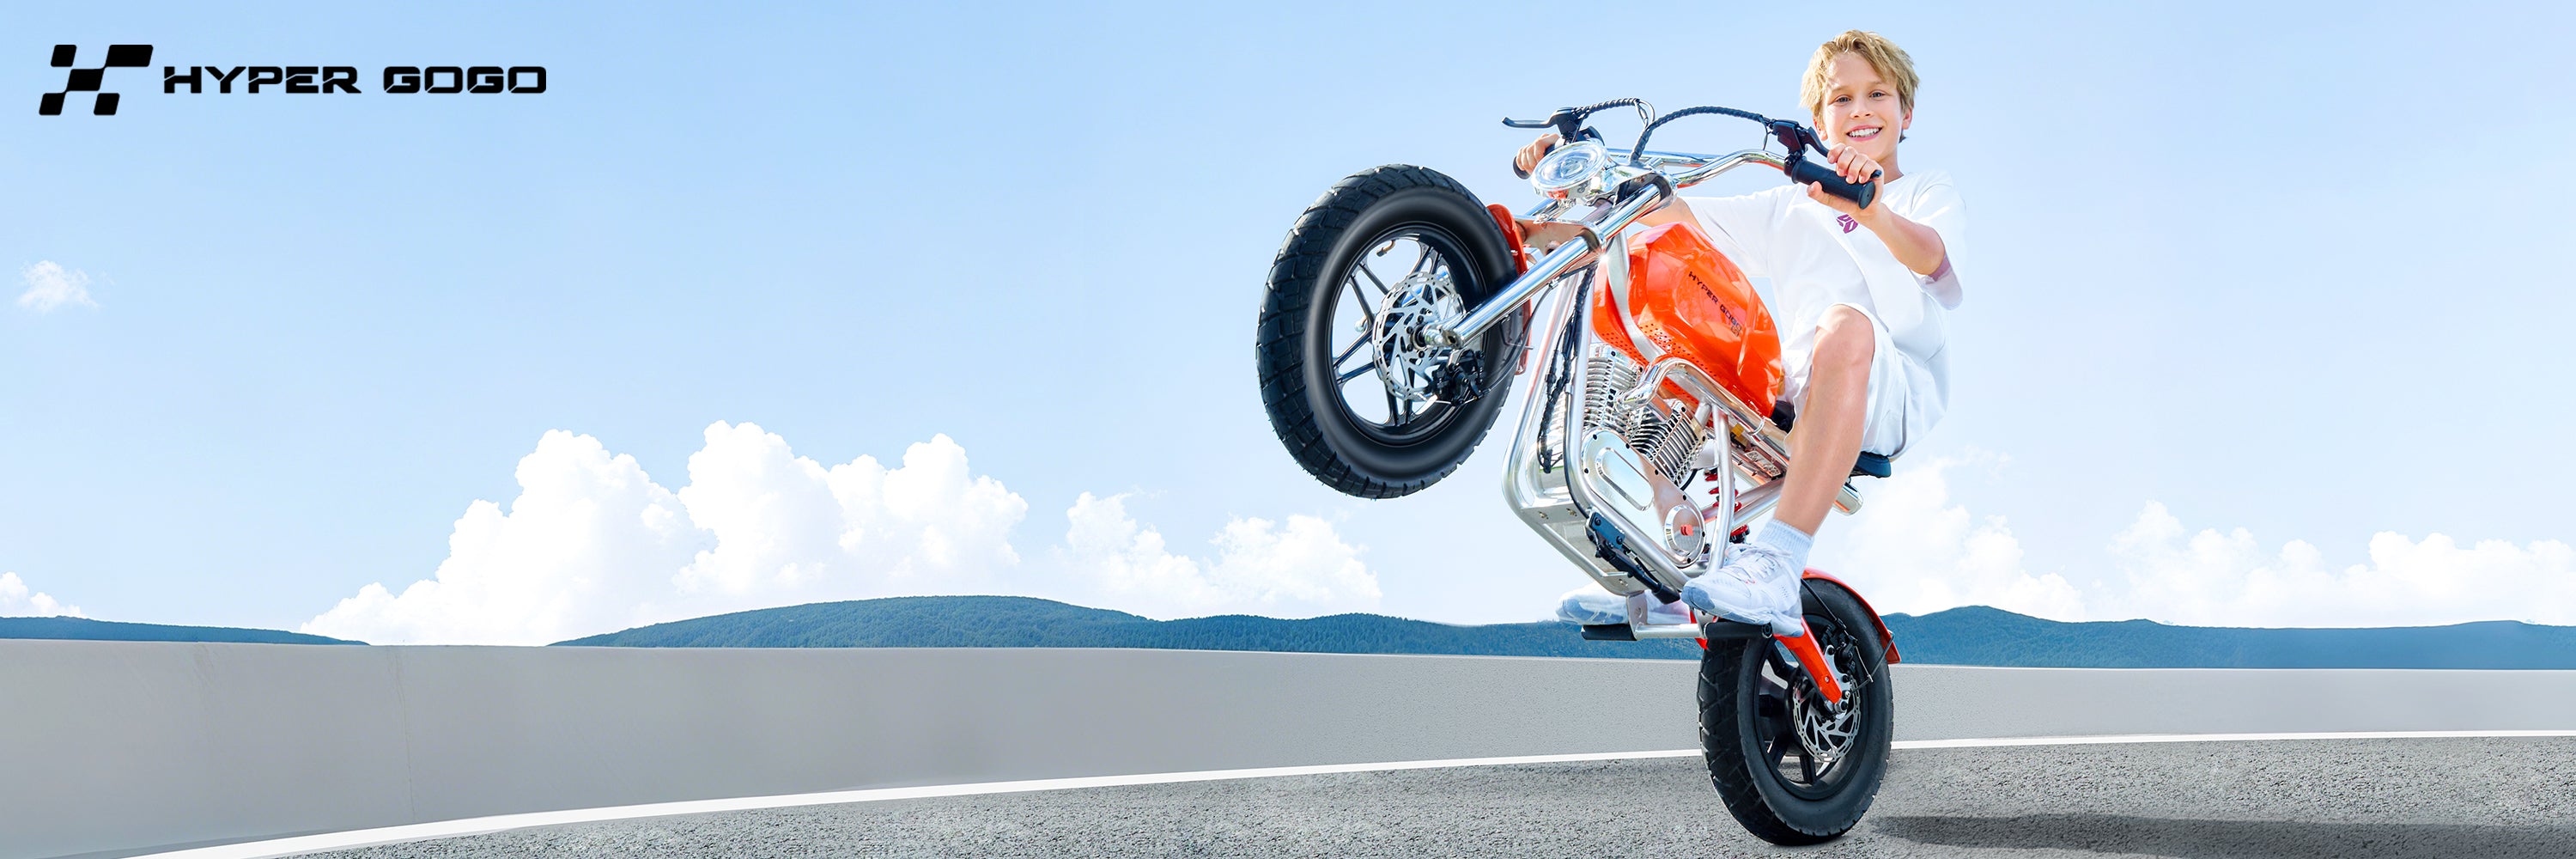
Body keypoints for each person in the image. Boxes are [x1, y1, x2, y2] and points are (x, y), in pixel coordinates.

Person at [1531, 30, 1966, 637]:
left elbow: (1933, 261)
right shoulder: (1789, 205)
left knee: (1844, 323)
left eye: (1878, 95)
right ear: (1818, 120)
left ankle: (1780, 560)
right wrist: (1571, 183)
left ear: (1906, 112)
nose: (1861, 109)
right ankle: (1664, 567)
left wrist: (1874, 210)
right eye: (1841, 100)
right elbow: (1668, 215)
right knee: (1673, 307)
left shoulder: (1924, 191)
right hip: (1793, 386)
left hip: (1886, 391)